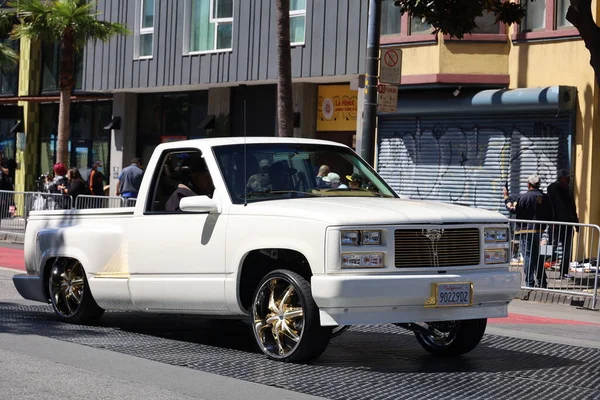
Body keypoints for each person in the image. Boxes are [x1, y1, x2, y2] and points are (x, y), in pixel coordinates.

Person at [504, 174, 554, 288]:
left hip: (525, 231)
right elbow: (550, 214)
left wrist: (506, 197)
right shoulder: (545, 198)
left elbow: (513, 209)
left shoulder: (524, 197)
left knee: (527, 256)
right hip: (539, 231)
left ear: (528, 185)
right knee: (538, 256)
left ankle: (530, 283)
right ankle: (542, 282)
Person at [547, 169, 579, 279]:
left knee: (566, 250)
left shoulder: (568, 190)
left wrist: (576, 223)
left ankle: (564, 272)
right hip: (556, 225)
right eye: (567, 177)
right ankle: (539, 269)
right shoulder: (553, 189)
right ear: (561, 178)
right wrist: (552, 221)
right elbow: (550, 206)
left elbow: (572, 207)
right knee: (550, 247)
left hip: (568, 225)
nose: (569, 179)